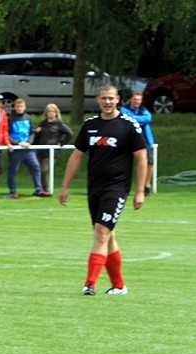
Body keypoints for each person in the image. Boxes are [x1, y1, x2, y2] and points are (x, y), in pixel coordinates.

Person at [58, 84, 147, 296]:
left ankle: (90, 284)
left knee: (101, 233)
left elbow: (142, 157)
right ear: (98, 100)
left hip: (117, 188)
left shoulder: (128, 125)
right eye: (103, 98)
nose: (107, 102)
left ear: (118, 99)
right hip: (94, 187)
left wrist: (140, 191)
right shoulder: (90, 125)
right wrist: (65, 186)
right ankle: (119, 286)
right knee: (107, 235)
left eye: (111, 98)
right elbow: (77, 156)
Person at [6, 98, 49, 198]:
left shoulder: (28, 117)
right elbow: (6, 134)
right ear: (14, 107)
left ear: (25, 107)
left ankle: (39, 190)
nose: (19, 108)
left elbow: (32, 132)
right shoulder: (10, 118)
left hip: (28, 149)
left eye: (21, 106)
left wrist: (29, 142)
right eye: (17, 106)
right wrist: (17, 143)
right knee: (13, 171)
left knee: (36, 168)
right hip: (16, 149)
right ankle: (13, 192)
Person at [34, 103, 73, 193]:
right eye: (49, 111)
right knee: (38, 170)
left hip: (52, 152)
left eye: (52, 111)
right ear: (46, 113)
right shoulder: (43, 123)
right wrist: (37, 133)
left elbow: (69, 134)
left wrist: (61, 143)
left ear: (56, 113)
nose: (50, 113)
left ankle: (46, 189)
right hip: (41, 151)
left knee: (44, 170)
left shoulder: (59, 123)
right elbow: (36, 137)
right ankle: (39, 189)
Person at [120, 91, 155, 195]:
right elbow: (125, 118)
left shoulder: (143, 110)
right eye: (135, 99)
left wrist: (134, 119)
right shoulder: (124, 109)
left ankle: (146, 185)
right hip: (127, 138)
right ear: (131, 99)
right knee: (123, 163)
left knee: (149, 161)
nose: (137, 102)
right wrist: (139, 120)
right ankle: (122, 185)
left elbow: (148, 118)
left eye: (139, 100)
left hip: (144, 139)